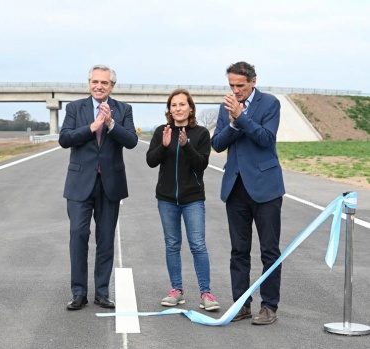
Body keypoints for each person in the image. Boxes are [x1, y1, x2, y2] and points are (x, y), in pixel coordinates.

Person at [211, 61, 285, 325]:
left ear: (253, 81)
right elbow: (217, 144)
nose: (235, 90)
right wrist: (232, 124)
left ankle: (269, 307)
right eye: (231, 85)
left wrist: (241, 118)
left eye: (240, 85)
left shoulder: (270, 103)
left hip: (266, 189)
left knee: (269, 251)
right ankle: (241, 304)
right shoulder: (226, 107)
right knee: (239, 251)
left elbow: (266, 138)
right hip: (236, 188)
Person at [59, 65, 138, 310]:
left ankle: (102, 292)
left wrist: (112, 124)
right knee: (78, 236)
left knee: (105, 240)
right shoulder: (75, 108)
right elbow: (64, 139)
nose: (99, 86)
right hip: (80, 185)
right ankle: (78, 293)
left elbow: (132, 141)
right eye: (95, 81)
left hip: (110, 185)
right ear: (89, 83)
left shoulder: (124, 109)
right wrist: (91, 128)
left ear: (112, 85)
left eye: (104, 82)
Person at [146, 89, 220, 311]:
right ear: (169, 109)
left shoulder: (201, 133)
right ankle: (176, 290)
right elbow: (151, 161)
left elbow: (201, 164)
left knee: (198, 245)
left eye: (182, 104)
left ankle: (206, 293)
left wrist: (186, 145)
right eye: (174, 105)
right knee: (172, 244)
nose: (178, 108)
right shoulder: (161, 132)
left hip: (193, 199)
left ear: (190, 108)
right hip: (167, 199)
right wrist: (164, 146)